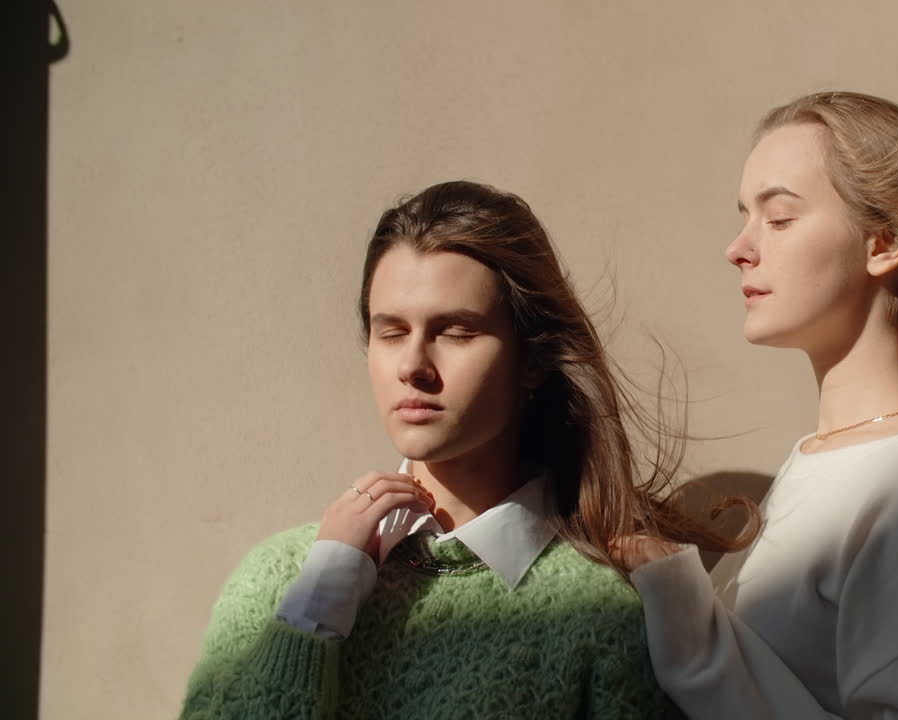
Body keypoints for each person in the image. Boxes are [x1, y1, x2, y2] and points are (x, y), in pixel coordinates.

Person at [180, 180, 749, 719]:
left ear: (532, 359)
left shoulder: (603, 612)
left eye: (455, 331)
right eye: (391, 331)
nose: (413, 367)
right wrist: (314, 612)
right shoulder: (280, 579)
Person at [613, 92, 898, 719]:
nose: (737, 248)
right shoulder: (825, 461)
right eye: (744, 216)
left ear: (883, 242)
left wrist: (688, 621)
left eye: (780, 218)